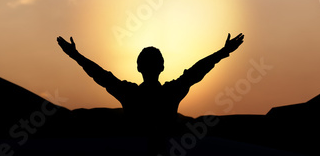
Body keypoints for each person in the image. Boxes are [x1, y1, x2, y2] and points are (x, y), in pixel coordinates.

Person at [56, 32, 244, 154]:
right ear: (162, 67)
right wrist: (223, 52)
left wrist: (75, 55)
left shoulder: (129, 93)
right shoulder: (171, 92)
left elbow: (100, 75)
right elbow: (197, 71)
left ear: (138, 68)